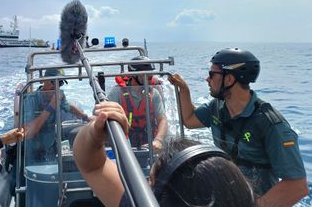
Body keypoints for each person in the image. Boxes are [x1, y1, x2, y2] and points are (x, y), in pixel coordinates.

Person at [168, 48, 309, 206]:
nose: (207, 79)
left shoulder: (270, 124)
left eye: (212, 74)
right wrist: (184, 90)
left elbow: (297, 187)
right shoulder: (217, 107)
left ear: (229, 80)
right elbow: (189, 120)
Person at [73, 101, 256, 207]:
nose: (144, 186)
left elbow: (92, 167)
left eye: (150, 183)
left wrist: (94, 133)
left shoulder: (144, 203)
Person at [23, 68, 89, 162]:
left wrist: (85, 117)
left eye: (60, 82)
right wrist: (50, 107)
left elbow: (69, 108)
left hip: (51, 147)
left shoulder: (59, 96)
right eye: (53, 82)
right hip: (32, 151)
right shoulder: (30, 100)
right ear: (44, 80)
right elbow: (28, 133)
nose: (56, 86)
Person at [108, 56, 167, 149]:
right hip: (124, 143)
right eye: (144, 75)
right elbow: (108, 120)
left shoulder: (154, 93)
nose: (148, 78)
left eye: (150, 75)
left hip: (151, 143)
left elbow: (162, 119)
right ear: (133, 75)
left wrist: (158, 140)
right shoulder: (117, 92)